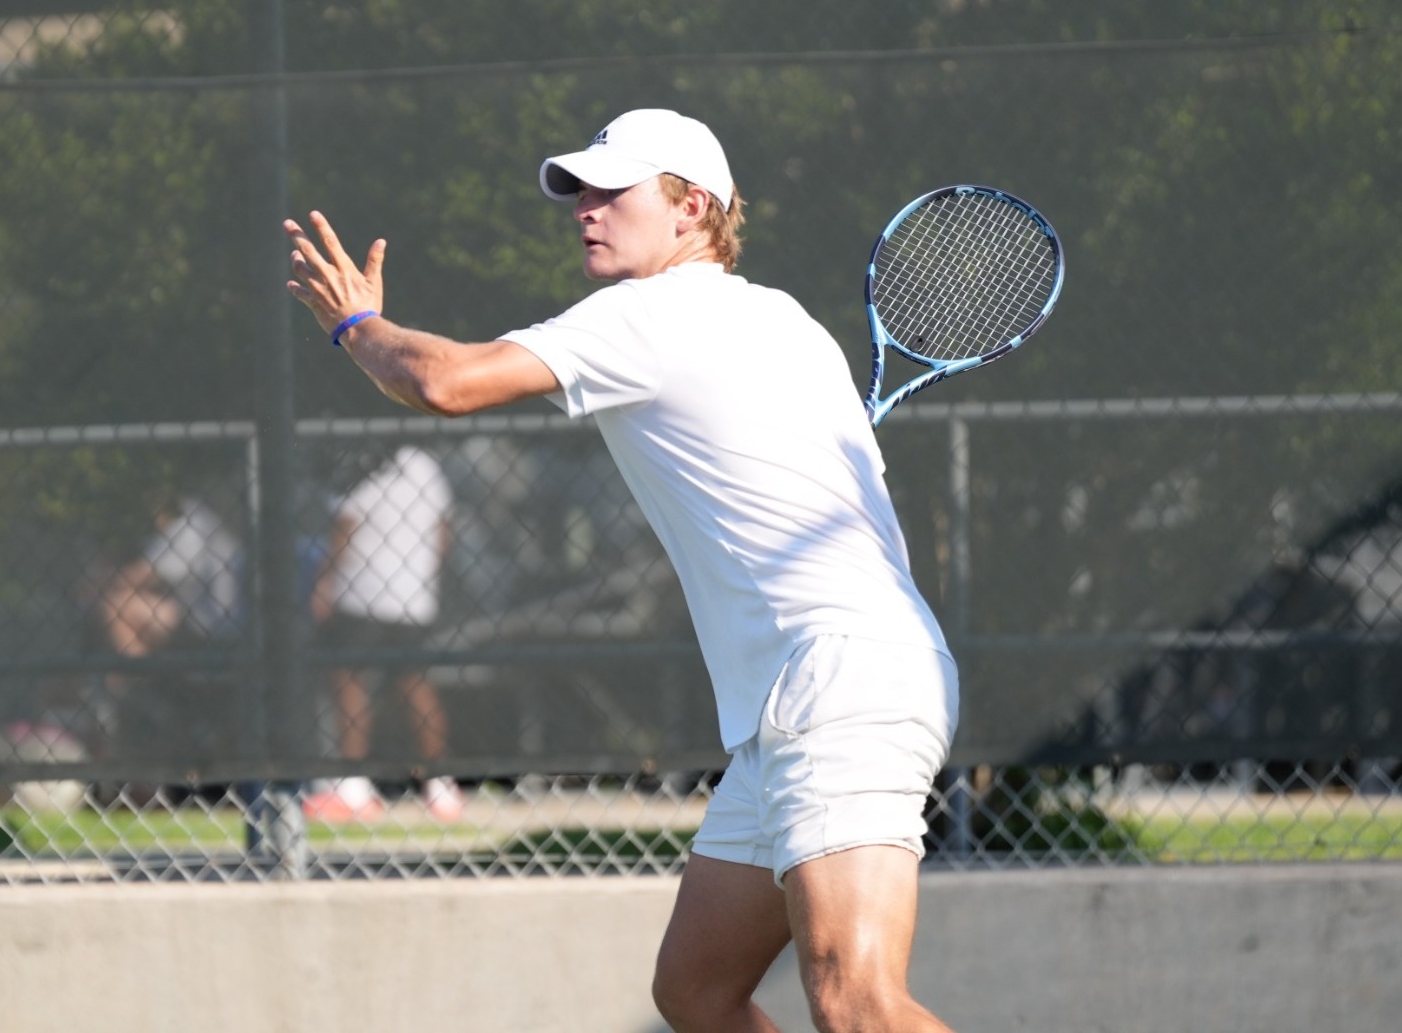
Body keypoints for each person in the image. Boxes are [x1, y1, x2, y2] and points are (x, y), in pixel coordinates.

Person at [285, 107, 960, 1031]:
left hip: (836, 684)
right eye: (580, 193)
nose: (587, 209)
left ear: (692, 209)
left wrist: (358, 325)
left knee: (856, 999)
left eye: (615, 191)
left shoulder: (650, 313)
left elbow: (445, 382)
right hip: (808, 696)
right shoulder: (786, 320)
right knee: (696, 993)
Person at [304, 444, 462, 823]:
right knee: (415, 684)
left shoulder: (356, 461)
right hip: (413, 595)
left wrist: (323, 582)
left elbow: (344, 528)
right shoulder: (424, 464)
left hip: (363, 593)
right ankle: (440, 787)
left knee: (350, 681)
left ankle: (353, 786)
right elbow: (443, 531)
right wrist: (423, 576)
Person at [93, 492, 247, 768]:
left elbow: (148, 573)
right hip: (200, 625)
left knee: (116, 604)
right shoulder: (196, 522)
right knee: (128, 604)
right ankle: (137, 673)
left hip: (211, 629)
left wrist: (104, 583)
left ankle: (136, 676)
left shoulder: (188, 524)